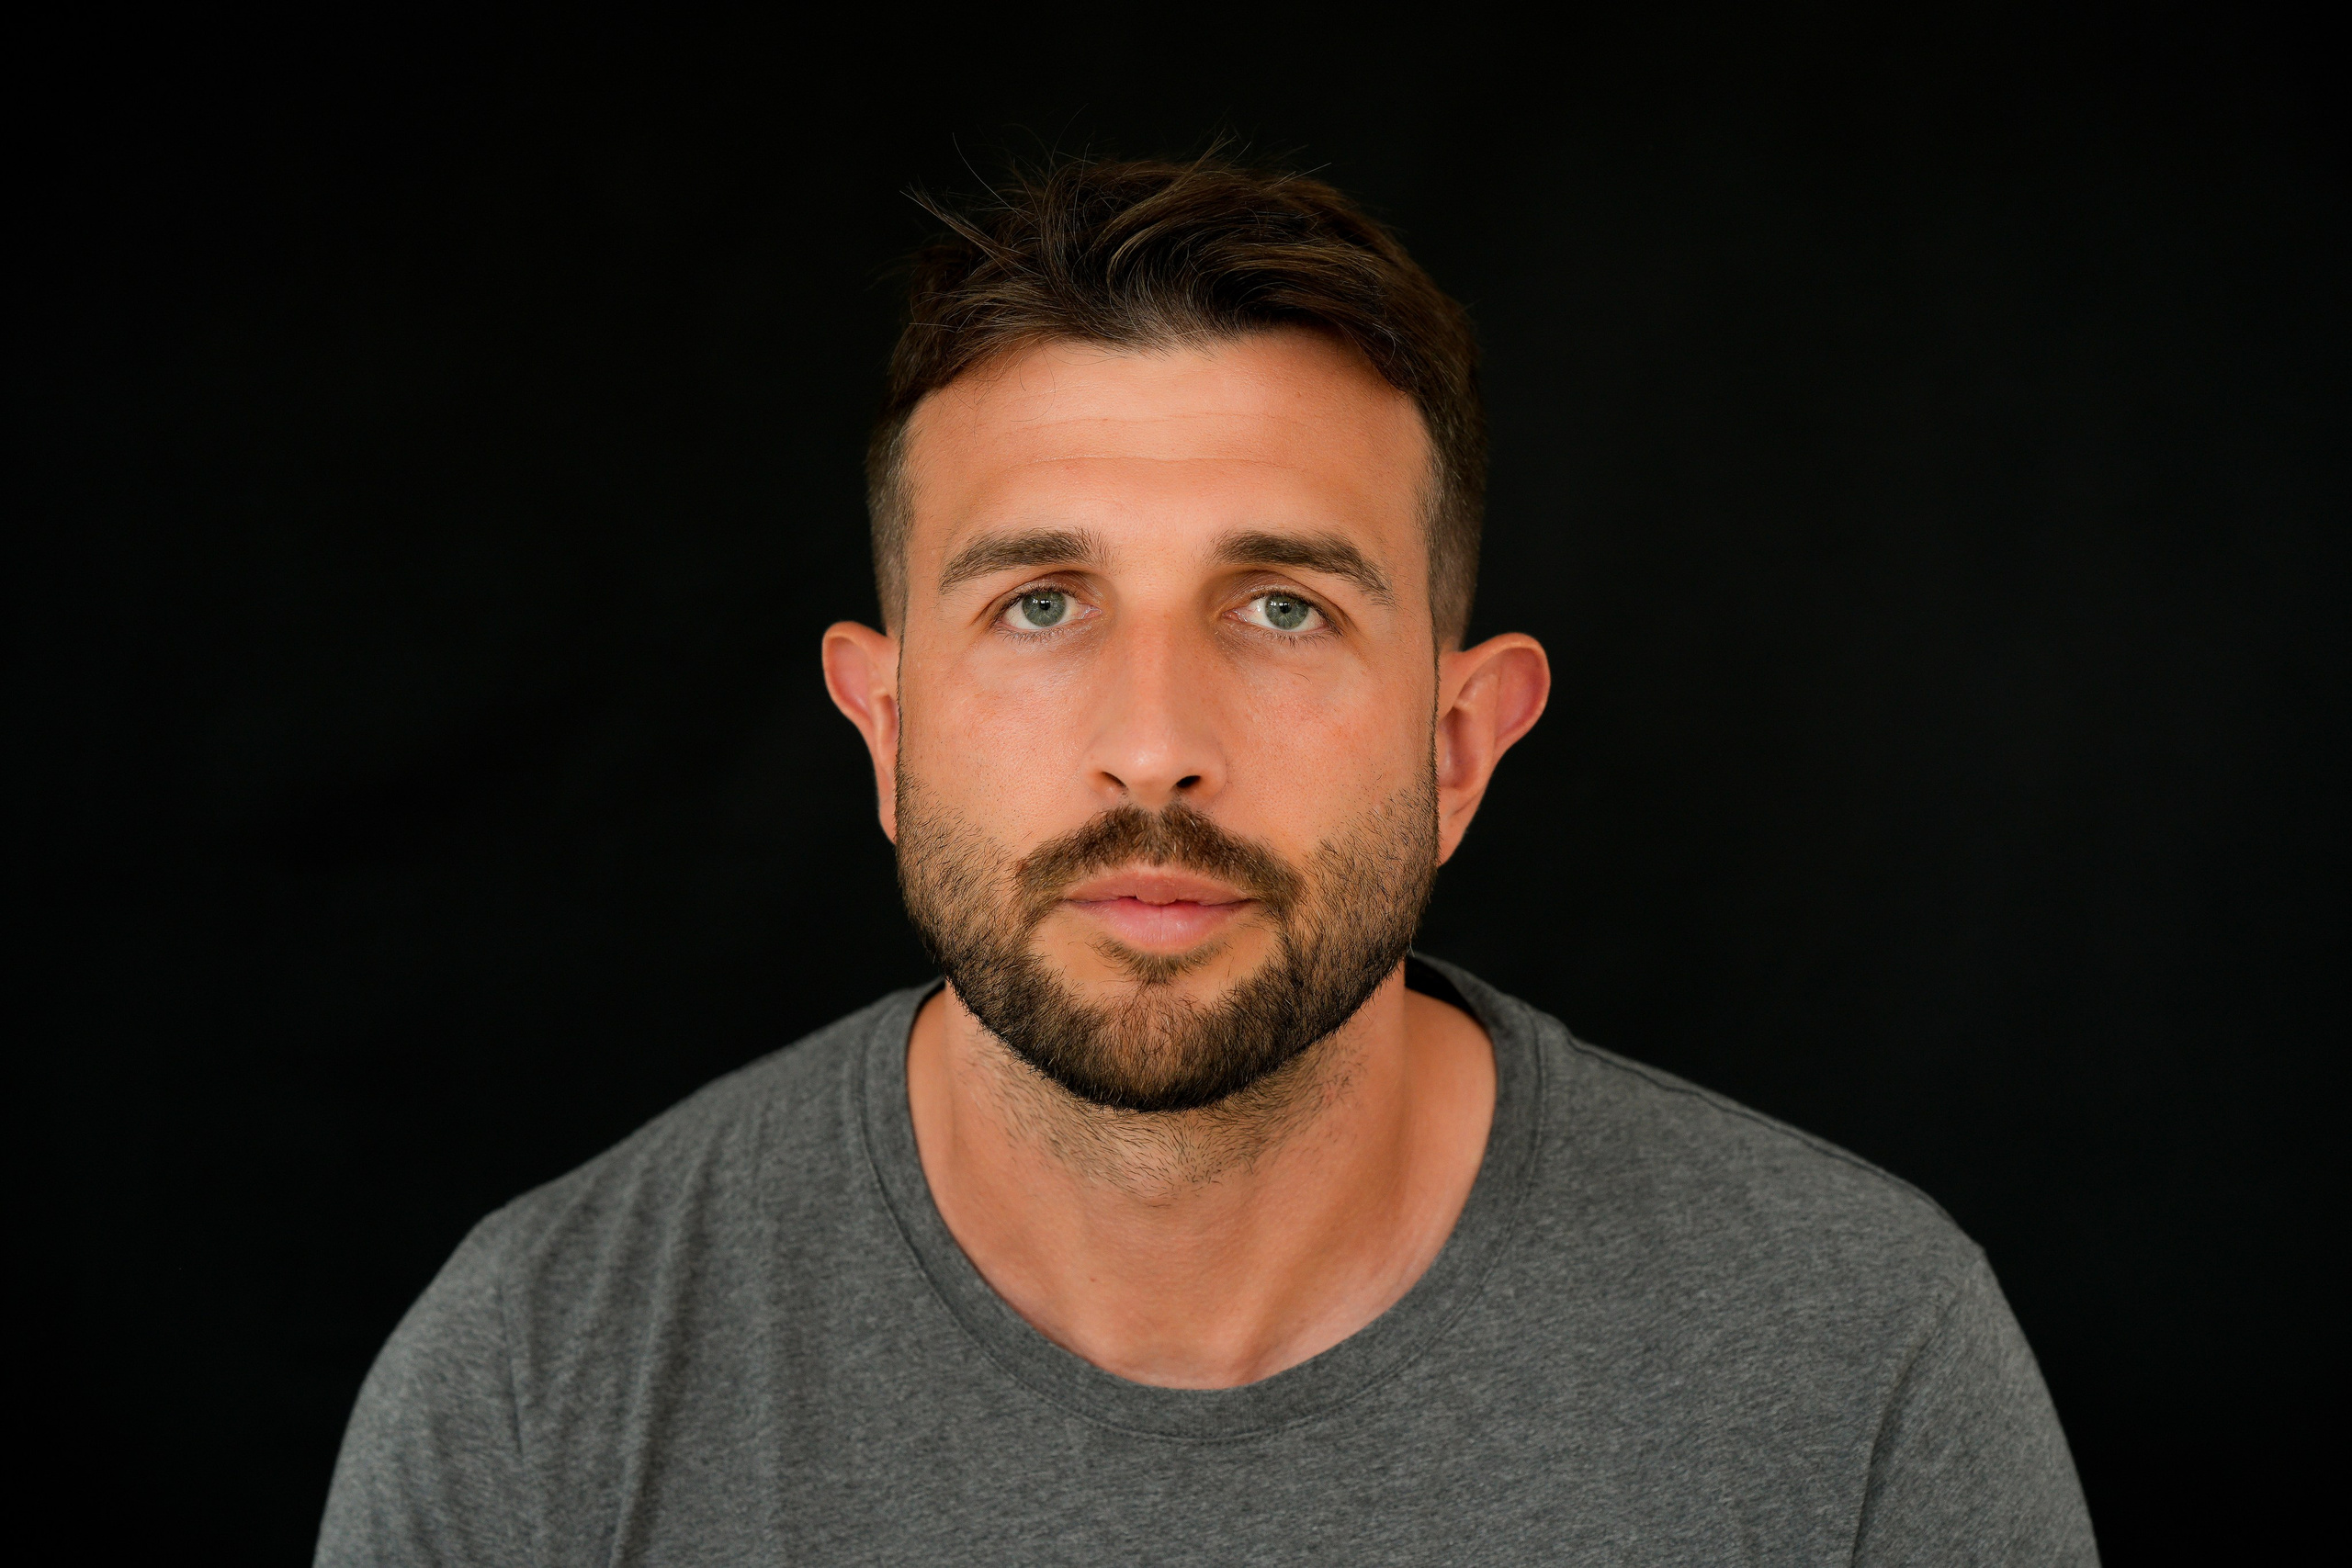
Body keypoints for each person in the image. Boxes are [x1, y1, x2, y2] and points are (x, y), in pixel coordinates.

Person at [317, 156, 2097, 1565]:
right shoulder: (540, 1374)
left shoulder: (1858, 1360)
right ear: (882, 728)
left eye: (1278, 604)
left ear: (1459, 741)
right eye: (1038, 602)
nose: (1153, 734)